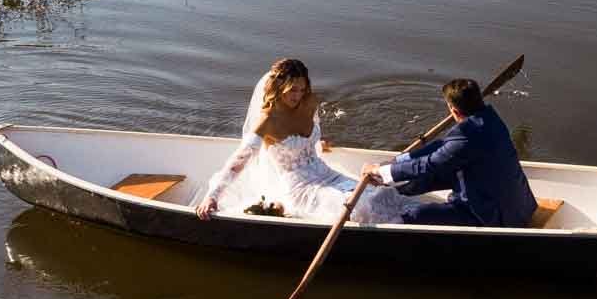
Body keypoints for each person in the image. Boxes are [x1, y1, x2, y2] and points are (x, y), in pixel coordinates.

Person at [194, 57, 409, 224]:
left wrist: (317, 144)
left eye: (302, 89)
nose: (298, 95)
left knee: (380, 193)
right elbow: (239, 161)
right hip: (300, 187)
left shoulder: (309, 102)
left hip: (325, 173)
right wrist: (212, 196)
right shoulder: (268, 121)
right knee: (359, 207)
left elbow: (313, 130)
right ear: (279, 88)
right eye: (292, 90)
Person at [360, 77, 537, 227]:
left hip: (495, 216)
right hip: (521, 203)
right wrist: (397, 162)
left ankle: (393, 205)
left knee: (418, 213)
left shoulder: (467, 136)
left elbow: (429, 164)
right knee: (427, 178)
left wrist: (379, 170)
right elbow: (443, 146)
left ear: (453, 110)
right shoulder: (490, 119)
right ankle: (397, 188)